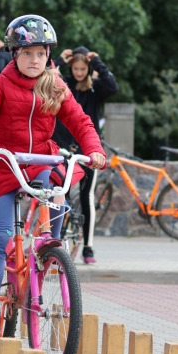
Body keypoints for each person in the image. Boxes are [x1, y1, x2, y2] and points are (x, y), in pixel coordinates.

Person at [0, 14, 106, 327]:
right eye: (27, 53)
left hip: (41, 162)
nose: (35, 60)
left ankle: (48, 257)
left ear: (49, 56)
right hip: (4, 164)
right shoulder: (0, 84)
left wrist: (94, 150)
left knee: (57, 210)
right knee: (3, 236)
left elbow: (80, 121)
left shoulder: (54, 85)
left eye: (41, 53)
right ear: (14, 54)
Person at [52, 46, 119, 264]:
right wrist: (59, 61)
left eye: (83, 68)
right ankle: (56, 242)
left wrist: (97, 61)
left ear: (88, 68)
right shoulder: (65, 84)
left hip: (87, 150)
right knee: (60, 193)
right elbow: (45, 78)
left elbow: (113, 87)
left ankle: (88, 248)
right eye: (76, 68)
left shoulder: (95, 88)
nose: (79, 72)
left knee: (86, 196)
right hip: (62, 146)